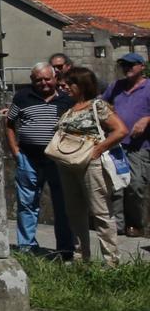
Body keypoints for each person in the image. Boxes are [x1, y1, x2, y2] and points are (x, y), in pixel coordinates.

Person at [52, 66, 128, 266]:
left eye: (70, 83)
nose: (64, 86)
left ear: (82, 84)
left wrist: (99, 149)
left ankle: (111, 260)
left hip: (90, 164)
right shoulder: (70, 108)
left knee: (100, 212)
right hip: (68, 165)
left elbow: (120, 130)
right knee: (74, 212)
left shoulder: (97, 106)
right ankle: (81, 258)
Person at [4, 62, 72, 258]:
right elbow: (9, 123)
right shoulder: (22, 97)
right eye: (38, 80)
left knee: (62, 204)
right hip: (28, 158)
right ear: (32, 81)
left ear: (55, 79)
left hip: (58, 159)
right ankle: (27, 246)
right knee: (27, 203)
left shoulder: (66, 100)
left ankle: (65, 248)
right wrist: (15, 151)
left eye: (47, 79)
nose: (43, 83)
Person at [101, 52, 150, 235]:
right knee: (115, 186)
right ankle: (118, 226)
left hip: (139, 147)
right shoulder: (116, 86)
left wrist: (147, 118)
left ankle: (135, 224)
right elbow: (100, 104)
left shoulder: (148, 87)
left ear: (141, 66)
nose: (127, 68)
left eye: (131, 65)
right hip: (115, 144)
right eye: (124, 65)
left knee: (135, 185)